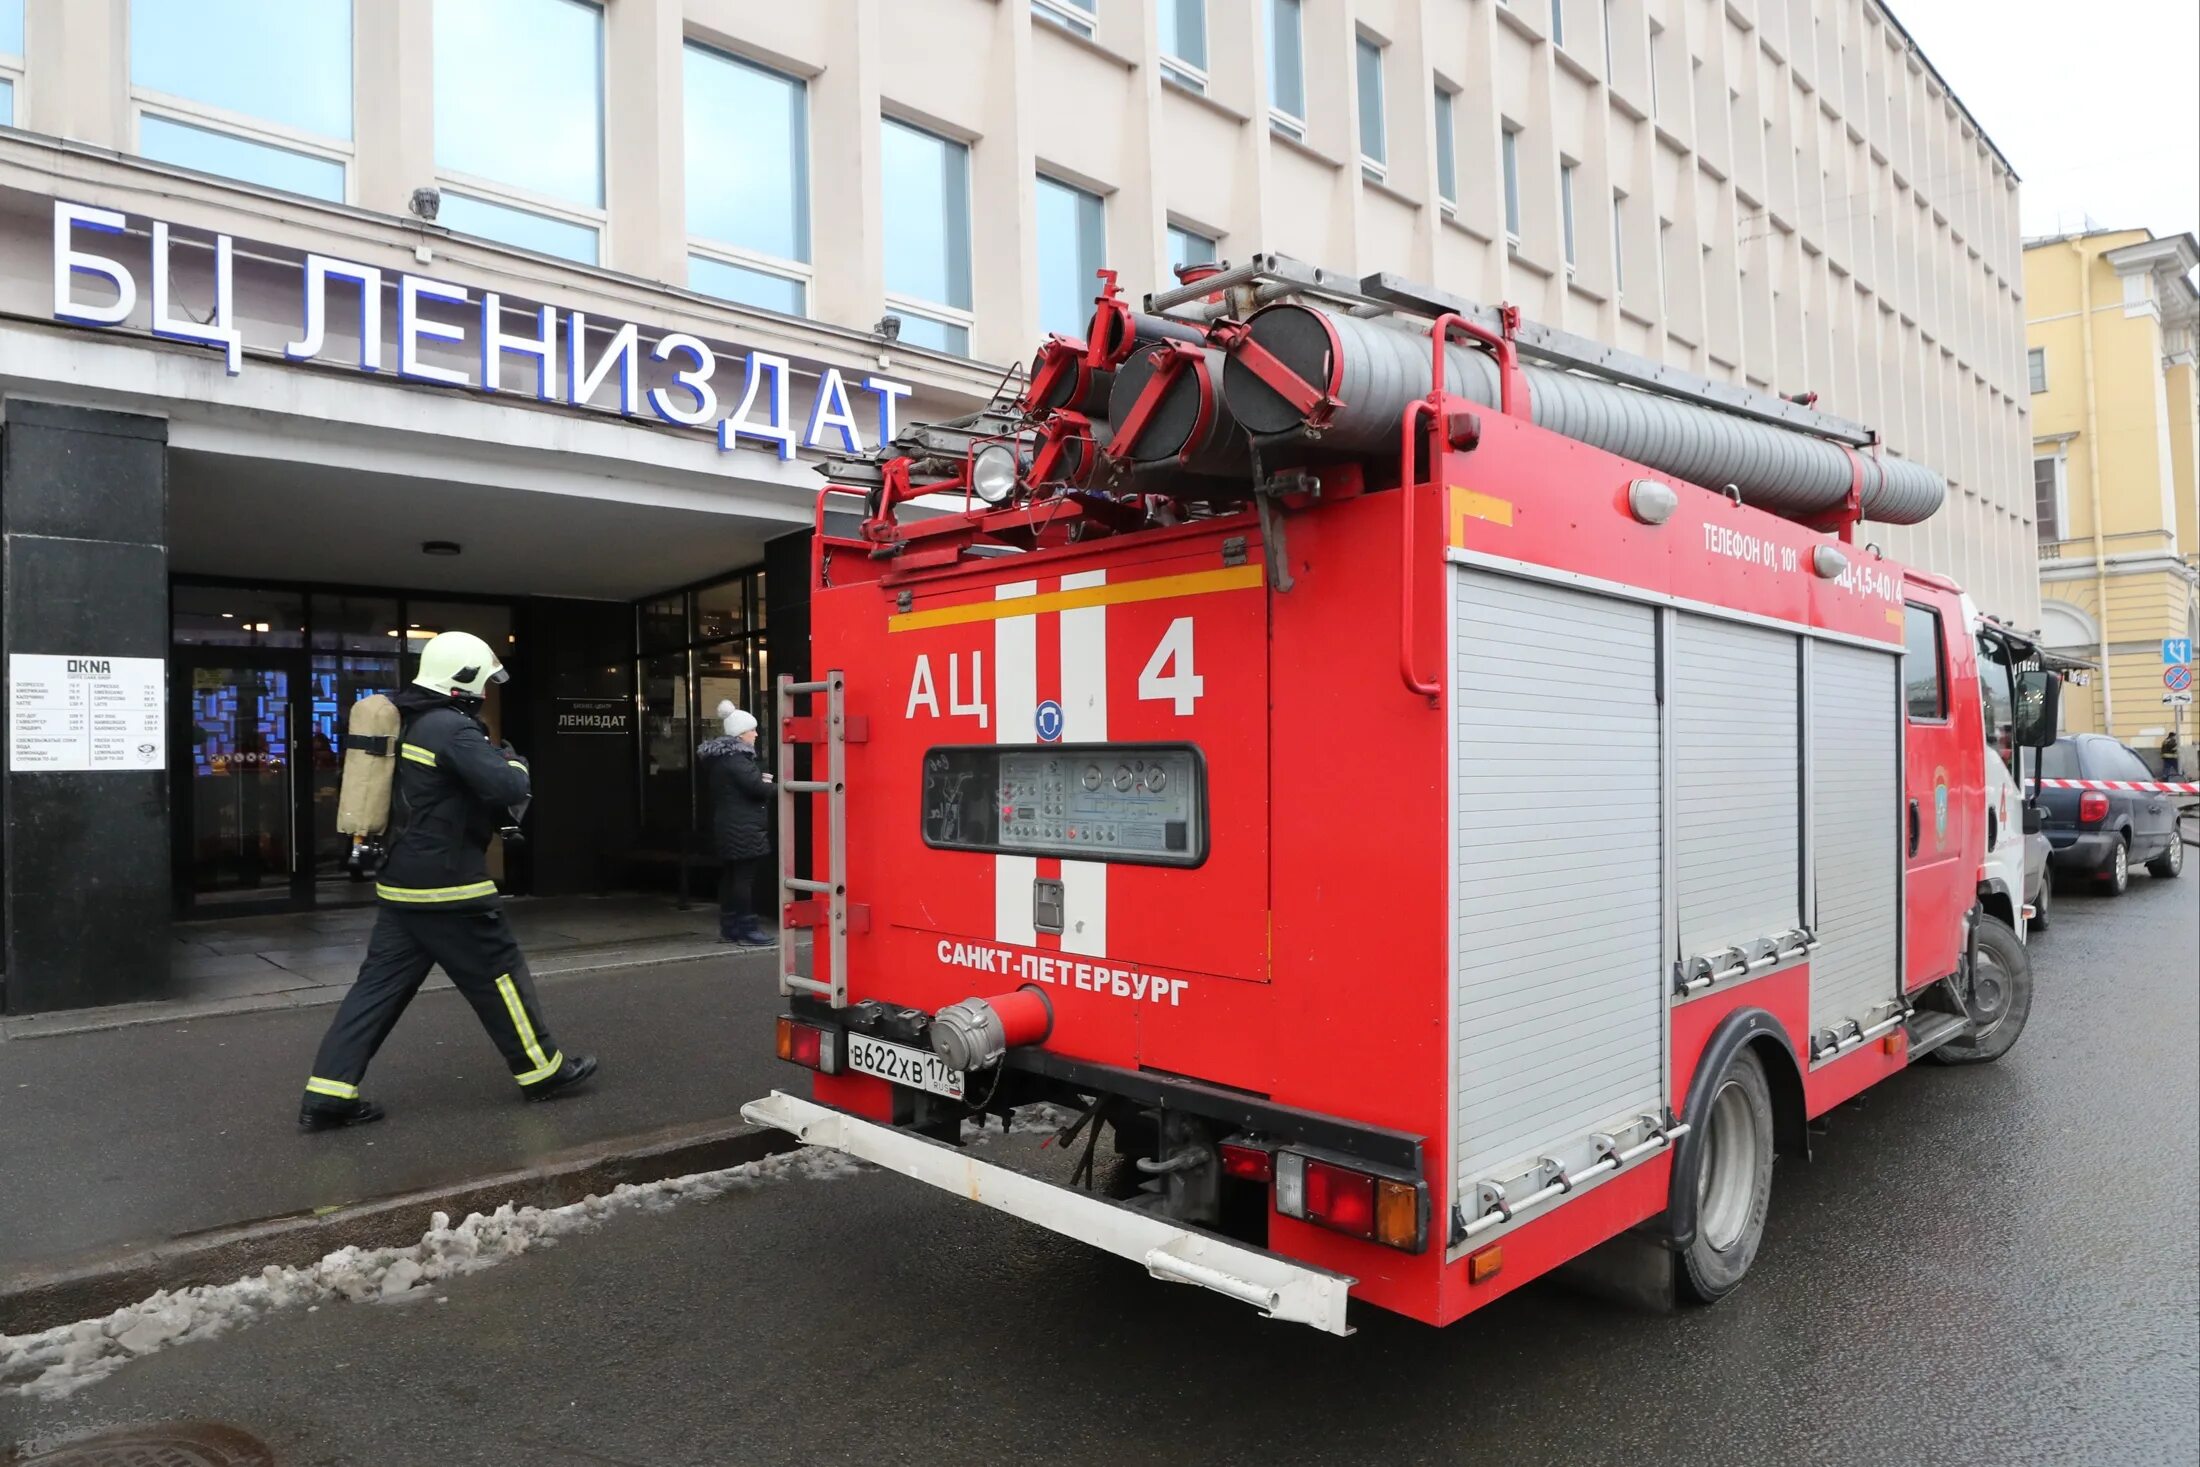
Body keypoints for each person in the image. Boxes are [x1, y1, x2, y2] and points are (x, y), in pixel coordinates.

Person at [298, 631, 596, 1130]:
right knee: (500, 975)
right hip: (449, 885)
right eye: (482, 681)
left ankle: (329, 1091)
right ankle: (543, 1070)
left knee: (376, 990)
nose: (485, 691)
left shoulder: (407, 720)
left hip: (401, 883)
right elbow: (508, 786)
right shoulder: (449, 729)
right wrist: (517, 762)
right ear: (464, 680)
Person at [700, 700, 774, 946]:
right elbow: (755, 788)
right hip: (743, 827)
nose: (755, 734)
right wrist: (777, 786)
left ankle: (730, 925)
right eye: (752, 730)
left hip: (728, 825)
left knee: (731, 877)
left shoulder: (721, 759)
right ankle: (747, 927)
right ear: (741, 734)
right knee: (744, 878)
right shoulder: (738, 759)